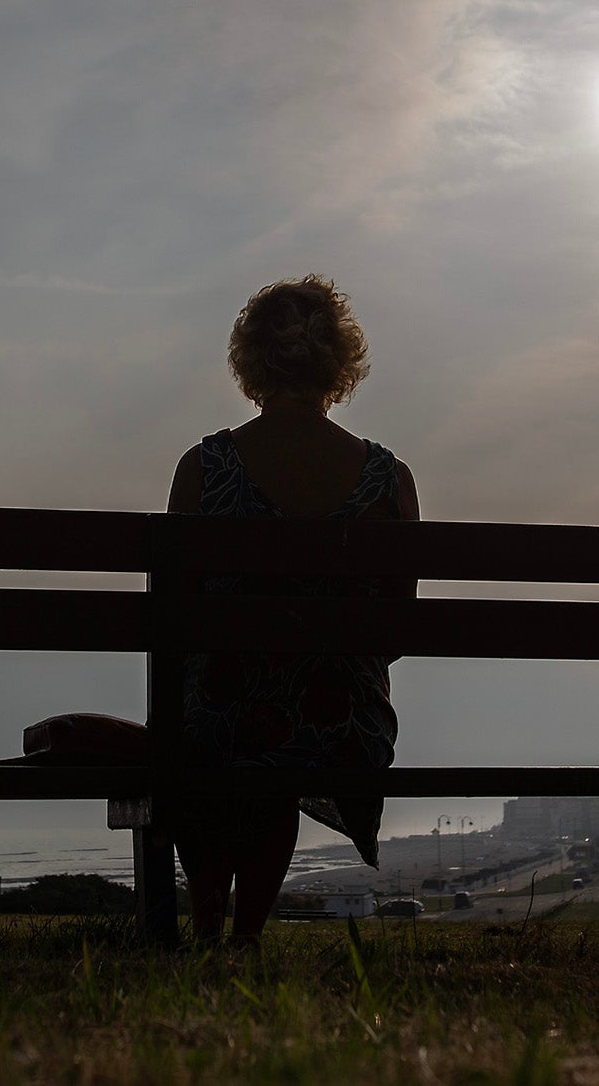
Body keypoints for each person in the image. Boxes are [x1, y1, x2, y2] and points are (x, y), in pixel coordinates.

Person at [164, 274, 420, 945]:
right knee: (280, 748)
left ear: (250, 358)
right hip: (342, 722)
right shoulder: (388, 481)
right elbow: (395, 631)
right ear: (339, 362)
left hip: (222, 716)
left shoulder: (206, 466)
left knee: (219, 722)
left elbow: (174, 622)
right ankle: (245, 934)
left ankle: (211, 923)